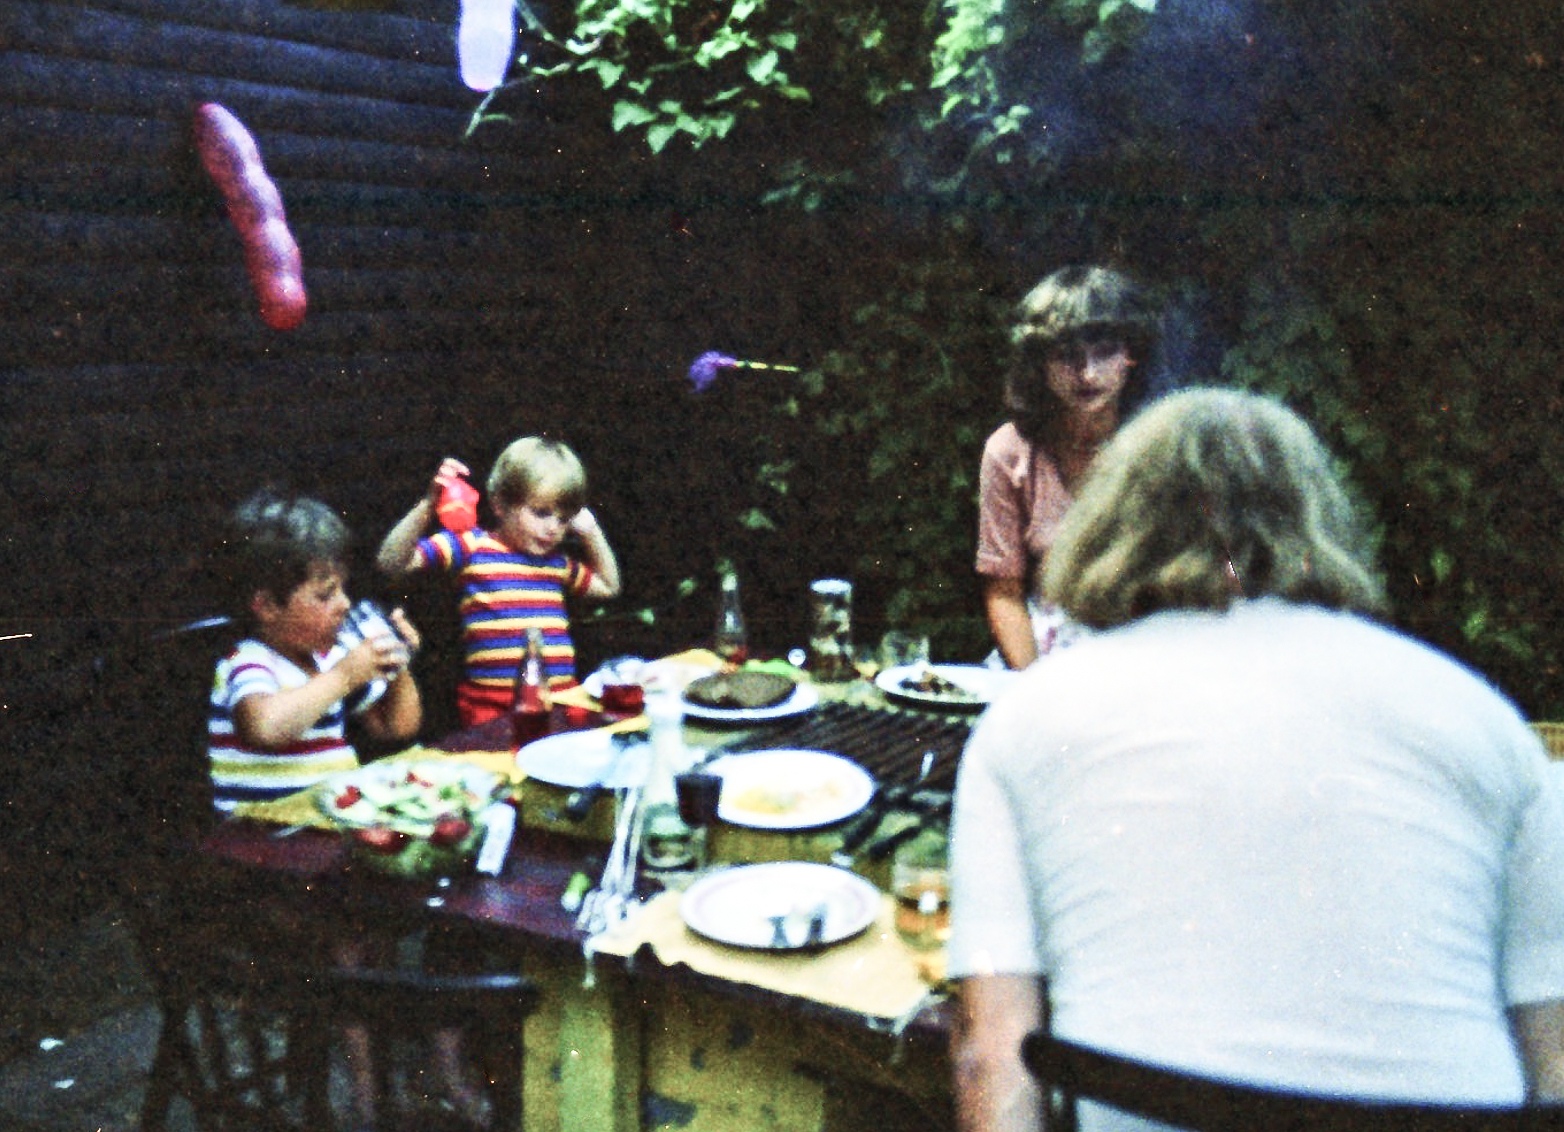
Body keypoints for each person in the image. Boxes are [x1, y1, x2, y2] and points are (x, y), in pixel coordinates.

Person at [948, 389, 1564, 1132]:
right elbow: (1554, 1055)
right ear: (1318, 523)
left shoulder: (1029, 719)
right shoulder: (1487, 723)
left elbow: (991, 1058)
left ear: (1109, 525)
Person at [976, 264, 1161, 669]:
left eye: (1104, 351)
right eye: (1067, 356)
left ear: (1130, 355)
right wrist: (1035, 687)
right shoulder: (1010, 450)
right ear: (1039, 362)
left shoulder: (1162, 448)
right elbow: (1004, 592)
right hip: (1042, 659)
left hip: (1143, 655)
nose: (1087, 373)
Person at [376, 437, 621, 727]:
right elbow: (391, 563)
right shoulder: (471, 545)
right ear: (500, 505)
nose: (553, 527)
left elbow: (609, 587)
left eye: (564, 519)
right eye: (541, 513)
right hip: (493, 709)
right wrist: (428, 505)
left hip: (561, 702)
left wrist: (592, 532)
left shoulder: (557, 564)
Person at [208, 489, 422, 809]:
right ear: (267, 606)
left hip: (327, 817)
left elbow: (396, 727)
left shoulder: (330, 660)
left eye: (343, 590)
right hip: (262, 829)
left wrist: (397, 665)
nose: (345, 604)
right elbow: (264, 728)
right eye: (325, 595)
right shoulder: (248, 661)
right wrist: (344, 677)